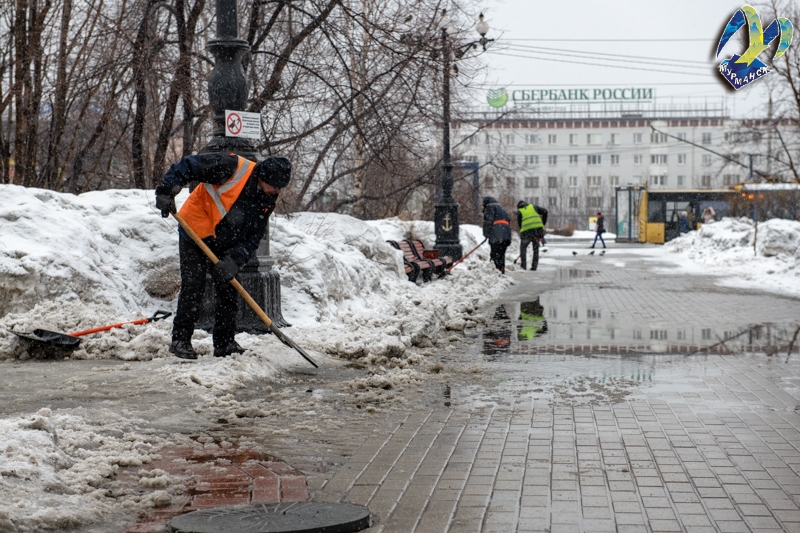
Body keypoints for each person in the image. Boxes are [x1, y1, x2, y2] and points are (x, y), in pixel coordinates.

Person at [155, 152, 291, 360]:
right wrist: (166, 190)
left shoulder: (267, 198)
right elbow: (190, 164)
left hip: (225, 242)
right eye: (275, 186)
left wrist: (236, 259)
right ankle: (180, 340)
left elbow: (255, 236)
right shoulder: (232, 167)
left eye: (280, 188)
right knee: (194, 285)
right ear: (263, 177)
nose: (277, 191)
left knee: (229, 288)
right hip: (196, 230)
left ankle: (224, 343)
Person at [516, 200, 548, 271]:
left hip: (526, 232)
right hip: (537, 231)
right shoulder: (533, 207)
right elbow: (545, 211)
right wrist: (542, 223)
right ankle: (534, 267)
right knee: (536, 249)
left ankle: (523, 266)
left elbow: (520, 224)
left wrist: (523, 232)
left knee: (523, 248)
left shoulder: (520, 211)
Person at [482, 196, 512, 273]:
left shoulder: (489, 207)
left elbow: (488, 221)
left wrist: (486, 234)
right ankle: (501, 269)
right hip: (506, 233)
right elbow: (509, 219)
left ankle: (495, 270)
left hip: (496, 234)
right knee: (501, 253)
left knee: (494, 252)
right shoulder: (502, 208)